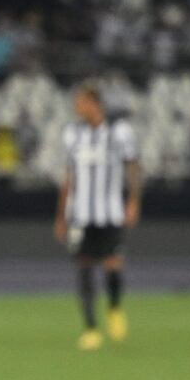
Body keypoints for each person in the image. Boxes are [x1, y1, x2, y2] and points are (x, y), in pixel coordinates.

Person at [53, 81, 142, 351]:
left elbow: (133, 167)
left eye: (81, 102)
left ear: (94, 103)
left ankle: (114, 308)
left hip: (110, 212)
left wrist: (133, 201)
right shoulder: (72, 135)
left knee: (113, 263)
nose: (77, 107)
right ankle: (91, 328)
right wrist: (61, 215)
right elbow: (69, 176)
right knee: (84, 266)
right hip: (81, 214)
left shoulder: (119, 132)